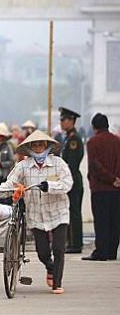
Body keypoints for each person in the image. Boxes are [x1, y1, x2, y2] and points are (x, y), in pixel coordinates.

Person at [0, 130, 73, 294]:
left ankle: (57, 283)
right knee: (42, 252)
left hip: (58, 211)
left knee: (59, 248)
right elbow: (11, 183)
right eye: (35, 145)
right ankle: (50, 267)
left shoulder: (58, 164)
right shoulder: (23, 166)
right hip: (36, 213)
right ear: (30, 148)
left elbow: (67, 184)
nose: (38, 148)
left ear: (47, 146)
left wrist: (49, 186)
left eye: (41, 144)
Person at [83, 113, 120, 261]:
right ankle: (112, 251)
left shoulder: (93, 142)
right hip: (117, 188)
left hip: (100, 188)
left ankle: (101, 251)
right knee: (115, 221)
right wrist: (116, 179)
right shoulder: (117, 141)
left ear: (94, 127)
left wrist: (110, 179)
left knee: (101, 220)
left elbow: (95, 166)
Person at [59, 107, 84, 254]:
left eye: (64, 120)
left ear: (71, 121)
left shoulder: (74, 138)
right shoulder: (68, 137)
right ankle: (71, 242)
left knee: (74, 212)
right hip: (69, 180)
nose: (61, 122)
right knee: (70, 211)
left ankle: (75, 244)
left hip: (73, 180)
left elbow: (72, 164)